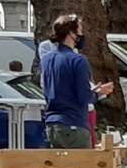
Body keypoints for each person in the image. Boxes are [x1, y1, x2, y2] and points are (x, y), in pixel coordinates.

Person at [38, 14, 96, 148]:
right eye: (79, 31)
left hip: (52, 125)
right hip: (74, 123)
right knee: (81, 162)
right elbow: (84, 96)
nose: (81, 35)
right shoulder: (78, 60)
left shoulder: (46, 59)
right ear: (71, 33)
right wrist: (97, 94)